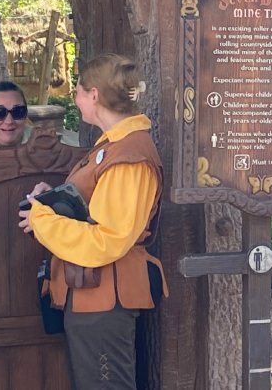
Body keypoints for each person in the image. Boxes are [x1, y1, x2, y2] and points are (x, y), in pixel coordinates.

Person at [17, 54, 165, 389]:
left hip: (104, 297)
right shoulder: (113, 147)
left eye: (79, 92)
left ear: (94, 95)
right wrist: (53, 200)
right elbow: (96, 206)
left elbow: (109, 239)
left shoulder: (130, 155)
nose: (77, 99)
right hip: (91, 293)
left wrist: (41, 219)